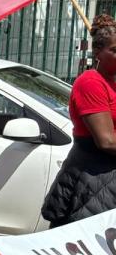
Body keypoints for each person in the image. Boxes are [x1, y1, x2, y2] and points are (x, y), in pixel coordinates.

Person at [42, 14, 116, 227]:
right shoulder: (91, 82)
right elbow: (107, 141)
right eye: (114, 50)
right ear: (97, 53)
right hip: (92, 176)